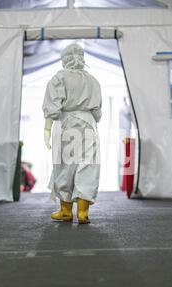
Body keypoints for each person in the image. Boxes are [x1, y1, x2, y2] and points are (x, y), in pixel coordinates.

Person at [43, 43, 102, 224]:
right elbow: (98, 112)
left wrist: (47, 128)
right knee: (88, 165)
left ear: (64, 60)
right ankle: (83, 212)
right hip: (89, 124)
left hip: (66, 124)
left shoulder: (59, 78)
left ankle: (65, 211)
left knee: (65, 167)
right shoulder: (93, 80)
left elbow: (53, 105)